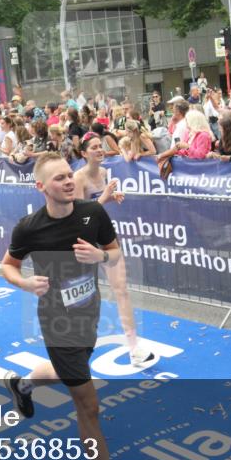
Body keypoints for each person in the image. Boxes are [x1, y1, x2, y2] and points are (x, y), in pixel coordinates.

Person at [0, 153, 144, 460]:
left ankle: (24, 384)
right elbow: (8, 265)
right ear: (40, 187)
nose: (68, 181)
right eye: (59, 178)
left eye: (69, 175)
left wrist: (100, 255)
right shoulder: (29, 228)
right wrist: (24, 282)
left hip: (89, 314)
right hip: (57, 323)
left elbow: (115, 254)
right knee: (88, 404)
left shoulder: (92, 215)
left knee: (70, 373)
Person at [73, 136, 155, 367]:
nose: (100, 150)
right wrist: (104, 198)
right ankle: (73, 348)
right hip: (84, 242)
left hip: (105, 237)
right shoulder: (78, 178)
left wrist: (109, 198)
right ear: (84, 153)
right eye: (94, 148)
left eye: (101, 146)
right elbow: (80, 219)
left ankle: (133, 348)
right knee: (83, 297)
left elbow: (96, 209)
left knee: (122, 290)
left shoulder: (105, 173)